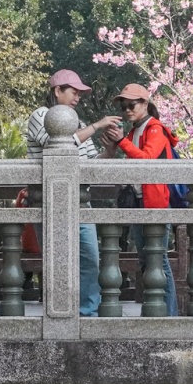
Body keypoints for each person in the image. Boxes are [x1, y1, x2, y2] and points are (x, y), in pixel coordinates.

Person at [26, 69, 121, 316]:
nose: (77, 97)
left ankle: (86, 311)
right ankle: (59, 313)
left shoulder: (78, 124)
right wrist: (97, 125)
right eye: (73, 91)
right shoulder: (40, 115)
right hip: (48, 199)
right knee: (56, 261)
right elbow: (54, 144)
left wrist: (109, 151)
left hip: (80, 200)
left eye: (80, 93)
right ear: (57, 91)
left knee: (90, 258)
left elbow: (91, 164)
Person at [105, 83, 178, 315]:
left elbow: (146, 158)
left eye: (132, 105)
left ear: (145, 104)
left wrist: (121, 142)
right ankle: (156, 309)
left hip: (155, 202)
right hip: (138, 200)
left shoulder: (155, 128)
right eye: (124, 106)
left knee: (158, 259)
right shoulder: (134, 130)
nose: (127, 110)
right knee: (146, 260)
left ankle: (169, 313)